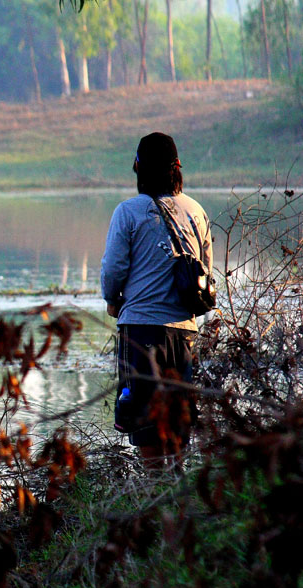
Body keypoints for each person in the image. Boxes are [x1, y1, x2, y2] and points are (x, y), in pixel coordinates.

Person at [100, 132, 212, 461]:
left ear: (140, 169)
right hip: (184, 332)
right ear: (177, 170)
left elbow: (113, 270)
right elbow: (204, 271)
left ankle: (153, 496)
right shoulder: (197, 211)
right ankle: (174, 498)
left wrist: (111, 299)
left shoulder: (129, 212)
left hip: (140, 331)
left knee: (145, 421)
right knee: (177, 421)